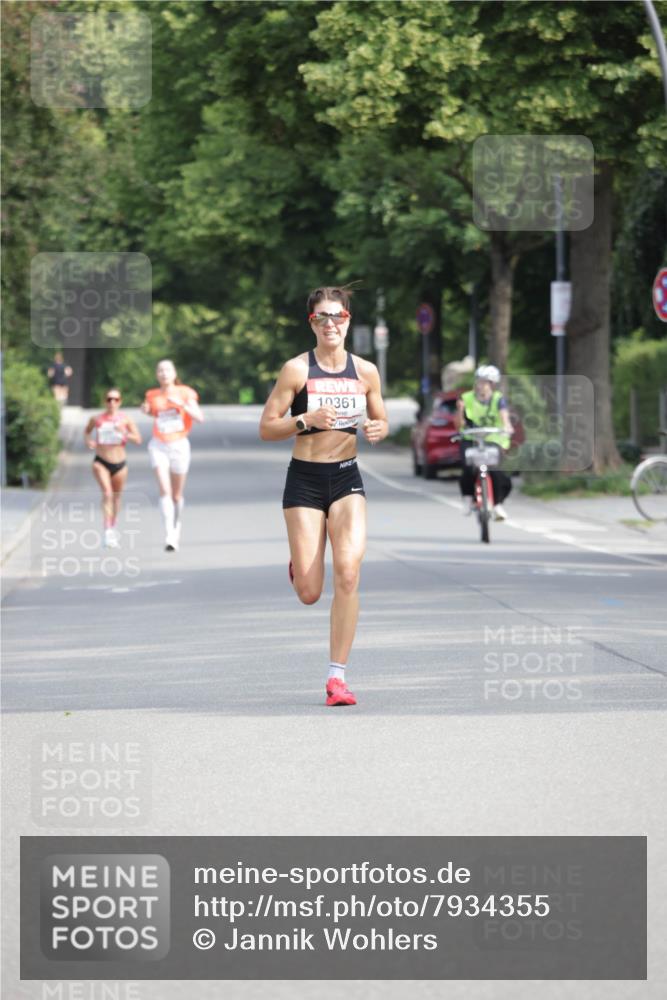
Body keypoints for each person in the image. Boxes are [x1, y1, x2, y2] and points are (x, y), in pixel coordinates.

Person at [259, 285, 388, 707]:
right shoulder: (297, 370)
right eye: (321, 317)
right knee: (310, 592)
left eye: (338, 316)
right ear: (311, 322)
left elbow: (381, 418)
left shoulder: (366, 371)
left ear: (348, 320)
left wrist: (378, 428)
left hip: (347, 478)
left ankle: (337, 677)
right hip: (305, 481)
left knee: (348, 572)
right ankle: (302, 566)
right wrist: (305, 420)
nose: (330, 324)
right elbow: (267, 427)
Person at [141, 359, 203, 552]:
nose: (164, 373)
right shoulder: (152, 395)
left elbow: (199, 417)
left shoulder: (185, 393)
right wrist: (145, 410)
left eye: (167, 370)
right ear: (156, 374)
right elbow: (155, 414)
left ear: (174, 373)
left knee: (176, 495)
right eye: (160, 370)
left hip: (179, 445)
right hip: (158, 445)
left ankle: (176, 527)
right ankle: (169, 534)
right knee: (165, 491)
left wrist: (182, 405)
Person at [84, 388, 141, 547]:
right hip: (101, 461)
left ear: (120, 402)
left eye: (116, 399)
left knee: (116, 497)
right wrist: (89, 441)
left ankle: (113, 525)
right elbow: (87, 432)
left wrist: (125, 433)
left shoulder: (125, 419)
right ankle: (107, 530)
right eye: (109, 399)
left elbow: (138, 439)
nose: (112, 402)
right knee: (107, 493)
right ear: (105, 401)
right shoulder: (96, 419)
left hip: (120, 463)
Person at [455, 364, 513, 520]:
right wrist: (460, 410)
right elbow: (458, 425)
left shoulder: (498, 399)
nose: (480, 385)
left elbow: (504, 417)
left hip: (493, 439)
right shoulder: (466, 398)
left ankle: (497, 504)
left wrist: (507, 427)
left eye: (485, 382)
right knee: (468, 468)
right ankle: (468, 498)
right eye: (479, 381)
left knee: (498, 473)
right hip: (471, 439)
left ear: (492, 384)